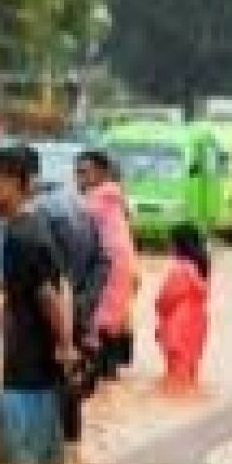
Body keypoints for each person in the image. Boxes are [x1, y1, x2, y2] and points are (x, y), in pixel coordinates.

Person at [0, 147, 75, 464]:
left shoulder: (22, 236)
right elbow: (56, 289)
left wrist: (65, 345)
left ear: (11, 184)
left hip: (27, 371)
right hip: (34, 366)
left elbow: (48, 295)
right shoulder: (31, 228)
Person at [23, 145, 109, 442]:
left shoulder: (36, 215)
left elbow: (46, 278)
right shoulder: (80, 207)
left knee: (47, 390)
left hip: (46, 322)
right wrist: (85, 305)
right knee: (69, 389)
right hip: (77, 314)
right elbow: (103, 261)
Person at [76, 150, 138, 379]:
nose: (78, 177)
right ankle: (108, 370)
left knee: (100, 316)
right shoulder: (113, 195)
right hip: (119, 263)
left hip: (110, 265)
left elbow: (80, 218)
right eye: (76, 172)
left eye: (84, 172)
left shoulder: (100, 195)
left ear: (101, 173)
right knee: (111, 317)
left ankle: (103, 370)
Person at [156, 222, 210, 393]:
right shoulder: (200, 269)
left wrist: (158, 307)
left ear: (179, 245)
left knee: (175, 383)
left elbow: (164, 301)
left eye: (170, 242)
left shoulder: (179, 271)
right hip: (197, 329)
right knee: (189, 375)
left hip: (177, 329)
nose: (168, 246)